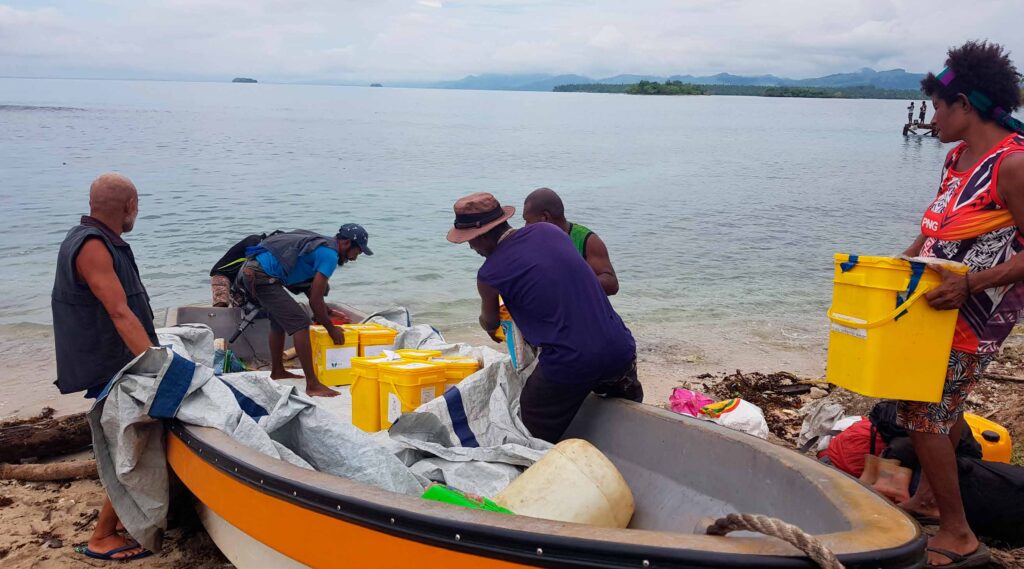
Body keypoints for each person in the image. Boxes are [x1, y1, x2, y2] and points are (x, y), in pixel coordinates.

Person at [899, 40, 1024, 568]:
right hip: (937, 304)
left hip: (979, 312)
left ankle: (959, 533)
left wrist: (971, 284)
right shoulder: (956, 157)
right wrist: (896, 267)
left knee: (924, 413)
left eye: (937, 106)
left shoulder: (1012, 165)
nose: (931, 119)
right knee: (936, 404)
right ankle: (930, 498)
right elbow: (939, 231)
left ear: (965, 106)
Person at [447, 192, 642, 443]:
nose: (471, 247)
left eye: (470, 241)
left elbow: (491, 322)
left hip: (569, 363)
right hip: (620, 349)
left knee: (528, 428)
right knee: (628, 411)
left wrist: (486, 323)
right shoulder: (550, 232)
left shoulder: (489, 274)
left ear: (482, 235)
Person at [51, 173, 156, 562]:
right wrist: (155, 364)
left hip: (115, 360)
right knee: (131, 447)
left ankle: (122, 521)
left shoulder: (96, 239)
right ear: (129, 206)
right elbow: (117, 310)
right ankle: (102, 536)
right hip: (111, 365)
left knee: (129, 444)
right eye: (137, 206)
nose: (137, 212)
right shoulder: (93, 246)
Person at [237, 223, 372, 396]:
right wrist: (331, 329)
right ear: (346, 244)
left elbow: (313, 292)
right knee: (301, 323)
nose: (355, 258)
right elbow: (315, 300)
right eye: (358, 252)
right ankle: (313, 385)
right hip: (261, 275)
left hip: (254, 272)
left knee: (278, 320)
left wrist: (327, 311)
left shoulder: (322, 245)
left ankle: (278, 371)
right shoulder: (330, 255)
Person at [522, 187, 619, 295]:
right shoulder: (533, 241)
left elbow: (612, 284)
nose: (525, 227)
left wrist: (572, 282)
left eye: (528, 221)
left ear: (545, 217)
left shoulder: (587, 241)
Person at [210, 232, 273, 307]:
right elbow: (252, 256)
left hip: (238, 280)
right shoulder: (254, 240)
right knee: (221, 303)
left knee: (243, 308)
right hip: (222, 274)